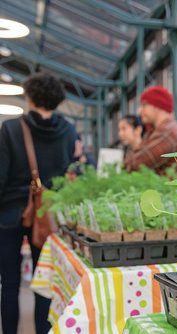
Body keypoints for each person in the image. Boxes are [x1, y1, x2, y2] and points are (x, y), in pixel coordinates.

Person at [0, 72, 77, 334]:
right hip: (47, 216)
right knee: (44, 283)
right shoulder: (69, 131)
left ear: (30, 98)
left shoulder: (10, 129)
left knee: (9, 285)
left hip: (9, 216)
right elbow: (67, 174)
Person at [123, 86, 177, 175]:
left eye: (144, 105)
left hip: (162, 188)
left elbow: (138, 163)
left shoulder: (169, 132)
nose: (139, 110)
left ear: (157, 105)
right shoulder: (157, 130)